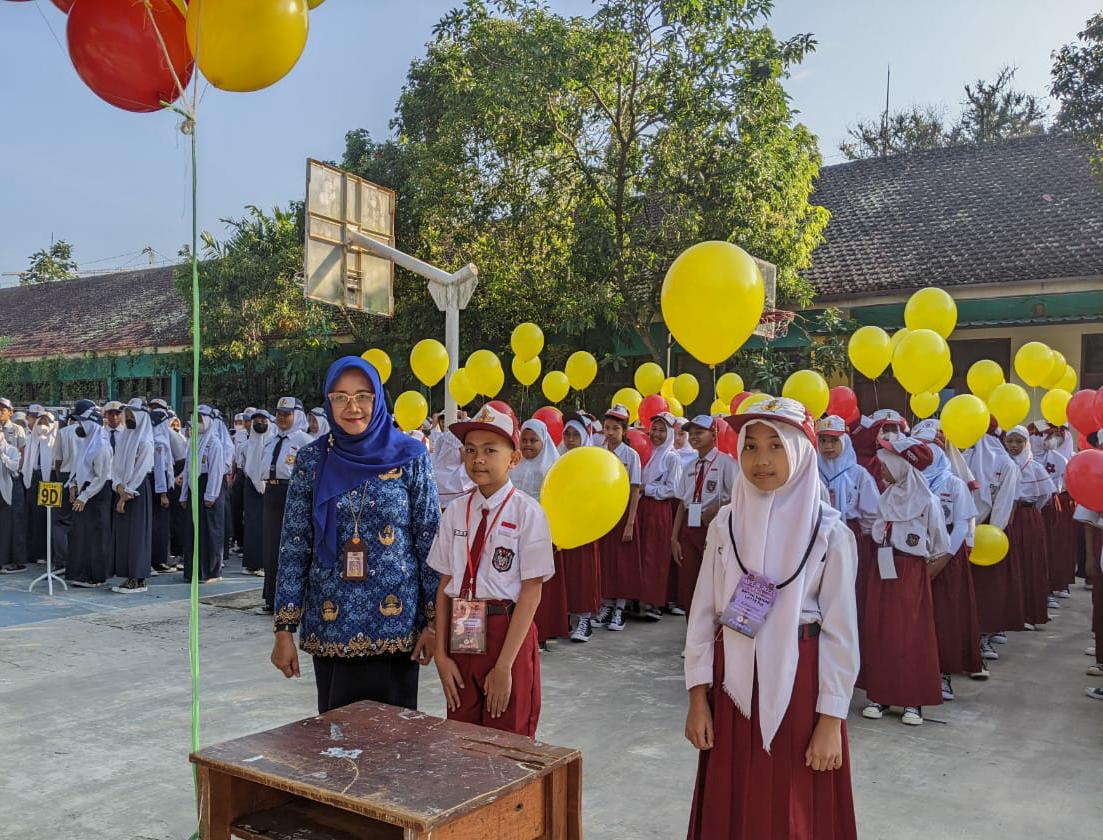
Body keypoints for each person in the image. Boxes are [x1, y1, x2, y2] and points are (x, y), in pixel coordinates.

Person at [684, 398, 858, 840]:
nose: (761, 460)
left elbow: (841, 634)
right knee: (735, 798)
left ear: (801, 451)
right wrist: (697, 697)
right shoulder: (725, 524)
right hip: (733, 684)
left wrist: (830, 720)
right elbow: (704, 613)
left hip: (799, 682)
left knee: (793, 804)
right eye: (751, 446)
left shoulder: (831, 533)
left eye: (776, 446)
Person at [271, 356, 441, 714]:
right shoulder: (311, 461)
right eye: (340, 397)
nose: (353, 407)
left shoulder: (411, 457)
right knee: (337, 745)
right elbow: (295, 544)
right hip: (332, 623)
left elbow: (430, 540)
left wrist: (435, 622)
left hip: (397, 625)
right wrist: (284, 629)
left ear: (378, 399)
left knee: (394, 744)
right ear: (328, 401)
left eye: (363, 396)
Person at [430, 402, 553, 738]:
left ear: (513, 459)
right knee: (461, 738)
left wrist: (504, 666)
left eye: (489, 450)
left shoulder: (529, 513)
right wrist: (441, 654)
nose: (478, 459)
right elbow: (444, 582)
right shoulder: (455, 511)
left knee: (506, 742)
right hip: (462, 634)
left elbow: (532, 591)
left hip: (505, 632)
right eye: (470, 450)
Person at [858, 437, 949, 726]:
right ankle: (880, 695)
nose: (881, 471)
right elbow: (876, 529)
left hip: (910, 570)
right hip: (884, 567)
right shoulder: (887, 497)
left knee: (910, 634)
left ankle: (912, 700)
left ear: (900, 466)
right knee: (880, 629)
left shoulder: (927, 502)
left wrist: (923, 574)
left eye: (886, 465)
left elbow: (940, 544)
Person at [913, 419, 983, 697]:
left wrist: (942, 558)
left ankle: (942, 674)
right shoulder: (908, 481)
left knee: (943, 617)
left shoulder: (953, 482)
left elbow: (963, 523)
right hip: (915, 555)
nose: (925, 455)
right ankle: (917, 670)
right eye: (920, 449)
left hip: (946, 559)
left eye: (930, 448)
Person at [816, 415, 879, 629]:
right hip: (817, 537)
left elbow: (872, 512)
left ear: (845, 441)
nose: (828, 446)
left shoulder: (858, 474)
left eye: (834, 440)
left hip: (850, 535)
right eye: (823, 440)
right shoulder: (812, 473)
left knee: (850, 587)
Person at [965, 422, 1021, 661]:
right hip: (962, 530)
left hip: (987, 534)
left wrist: (992, 532)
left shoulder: (1005, 464)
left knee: (987, 588)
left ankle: (984, 636)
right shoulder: (961, 457)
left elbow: (1004, 503)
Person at [671, 415, 737, 615]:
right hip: (689, 528)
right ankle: (692, 634)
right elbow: (682, 504)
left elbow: (738, 498)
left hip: (715, 527)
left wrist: (717, 510)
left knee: (714, 580)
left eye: (699, 433)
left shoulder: (726, 463)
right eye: (691, 433)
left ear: (714, 434)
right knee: (689, 582)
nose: (693, 437)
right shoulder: (690, 466)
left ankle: (713, 635)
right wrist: (674, 538)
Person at [515, 418, 568, 648]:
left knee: (537, 583)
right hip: (514, 529)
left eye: (533, 440)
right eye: (524, 440)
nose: (527, 445)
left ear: (543, 441)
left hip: (540, 531)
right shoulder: (514, 463)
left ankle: (542, 634)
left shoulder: (551, 466)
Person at [260, 397, 314, 612]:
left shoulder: (305, 441)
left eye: (287, 414)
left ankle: (292, 600)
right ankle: (271, 597)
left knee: (292, 547)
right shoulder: (271, 440)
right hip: (271, 492)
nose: (282, 418)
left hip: (292, 493)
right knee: (271, 547)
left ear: (297, 415)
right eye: (280, 413)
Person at [594, 405, 642, 632]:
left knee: (622, 563)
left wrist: (630, 523)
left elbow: (635, 491)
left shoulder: (631, 456)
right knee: (605, 560)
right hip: (603, 514)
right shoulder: (599, 452)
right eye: (607, 428)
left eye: (615, 428)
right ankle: (606, 605)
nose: (610, 432)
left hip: (623, 515)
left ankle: (620, 609)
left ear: (624, 431)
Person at [1004, 426, 1056, 631]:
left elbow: (1045, 496)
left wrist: (1029, 511)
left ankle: (1030, 612)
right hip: (1007, 516)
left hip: (1027, 518)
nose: (1014, 446)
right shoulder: (1002, 465)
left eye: (1019, 441)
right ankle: (1011, 612)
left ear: (1027, 443)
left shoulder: (1035, 467)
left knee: (1030, 561)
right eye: (1010, 441)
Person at [559, 416, 604, 643]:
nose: (570, 439)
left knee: (584, 572)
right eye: (567, 434)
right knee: (565, 572)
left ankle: (584, 619)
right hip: (562, 525)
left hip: (585, 525)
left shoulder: (592, 461)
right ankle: (566, 615)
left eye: (575, 435)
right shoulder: (557, 459)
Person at [638, 411, 681, 620]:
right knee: (641, 553)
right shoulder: (645, 451)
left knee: (656, 555)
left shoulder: (672, 457)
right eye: (654, 428)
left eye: (662, 430)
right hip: (642, 508)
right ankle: (639, 599)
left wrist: (648, 489)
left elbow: (673, 489)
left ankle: (654, 601)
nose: (656, 434)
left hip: (659, 509)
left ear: (671, 433)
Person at [66, 405, 114, 588]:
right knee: (82, 534)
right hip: (85, 490)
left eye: (81, 422)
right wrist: (72, 485)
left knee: (96, 535)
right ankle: (82, 572)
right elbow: (78, 466)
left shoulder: (101, 445)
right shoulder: (86, 442)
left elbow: (100, 477)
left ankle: (95, 576)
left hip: (97, 493)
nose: (78, 426)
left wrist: (84, 496)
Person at [110, 400, 155, 594]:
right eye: (126, 415)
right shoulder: (124, 438)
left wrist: (125, 494)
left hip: (137, 491)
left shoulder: (145, 442)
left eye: (131, 415)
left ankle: (138, 578)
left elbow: (140, 471)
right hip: (123, 490)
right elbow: (115, 466)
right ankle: (128, 575)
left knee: (137, 535)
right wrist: (118, 487)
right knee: (124, 535)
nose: (128, 418)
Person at [180, 405, 229, 584]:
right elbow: (188, 469)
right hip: (195, 487)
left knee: (210, 531)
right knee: (193, 531)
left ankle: (211, 571)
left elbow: (216, 471)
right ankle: (193, 570)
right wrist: (184, 494)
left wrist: (210, 495)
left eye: (200, 419)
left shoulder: (214, 443)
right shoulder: (194, 441)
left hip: (208, 488)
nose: (197, 423)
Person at [1038, 423, 1075, 601]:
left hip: (1057, 500)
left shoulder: (1062, 457)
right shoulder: (1038, 428)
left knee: (1056, 545)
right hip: (1039, 506)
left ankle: (1058, 583)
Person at [240, 409, 273, 577]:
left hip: (269, 488)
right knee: (252, 525)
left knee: (266, 526)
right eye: (256, 420)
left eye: (263, 420)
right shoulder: (248, 444)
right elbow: (244, 465)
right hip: (251, 488)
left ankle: (264, 563)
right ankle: (252, 563)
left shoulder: (273, 442)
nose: (260, 423)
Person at [21, 410, 57, 564]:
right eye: (40, 422)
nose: (42, 425)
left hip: (50, 481)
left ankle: (48, 552)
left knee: (48, 517)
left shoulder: (56, 440)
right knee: (34, 517)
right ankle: (35, 552)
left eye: (46, 422)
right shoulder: (32, 439)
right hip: (34, 479)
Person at [0, 397, 28, 573]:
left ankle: (17, 560)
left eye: (3, 409)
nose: (0, 412)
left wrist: (18, 472)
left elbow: (23, 453)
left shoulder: (17, 429)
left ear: (10, 411)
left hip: (13, 477)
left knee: (15, 521)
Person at [149, 409, 176, 574]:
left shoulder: (157, 439)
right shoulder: (159, 442)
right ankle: (158, 559)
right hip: (159, 485)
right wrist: (163, 494)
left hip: (160, 482)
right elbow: (159, 469)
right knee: (160, 525)